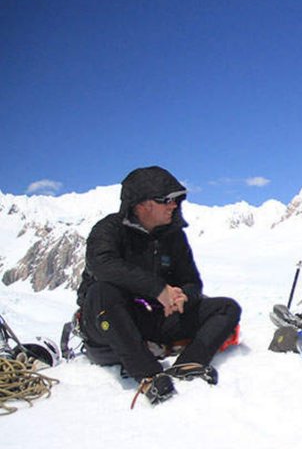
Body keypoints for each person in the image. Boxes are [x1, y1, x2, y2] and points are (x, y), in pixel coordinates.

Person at [77, 166, 242, 406]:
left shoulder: (173, 237)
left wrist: (183, 296)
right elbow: (101, 265)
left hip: (154, 318)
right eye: (166, 200)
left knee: (226, 308)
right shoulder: (109, 229)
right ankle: (148, 375)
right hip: (109, 326)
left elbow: (191, 281)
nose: (173, 205)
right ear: (142, 204)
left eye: (176, 200)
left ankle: (189, 364)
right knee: (103, 292)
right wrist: (158, 289)